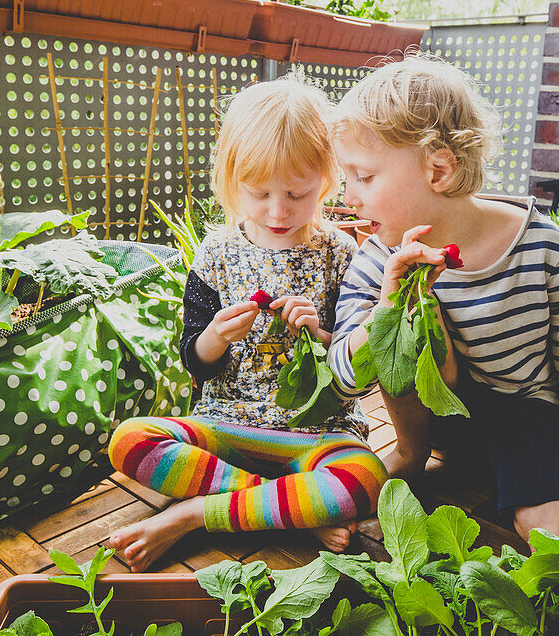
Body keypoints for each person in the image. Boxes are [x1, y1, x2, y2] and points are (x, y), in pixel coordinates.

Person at [326, 54, 559, 545]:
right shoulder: (378, 258)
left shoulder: (548, 250)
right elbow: (344, 379)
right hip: (434, 427)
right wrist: (389, 307)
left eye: (363, 177)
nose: (349, 197)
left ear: (439, 170)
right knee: (399, 347)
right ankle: (409, 454)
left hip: (527, 420)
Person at [107, 74, 387, 572]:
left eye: (298, 194)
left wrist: (322, 337)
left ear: (326, 180)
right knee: (130, 439)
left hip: (315, 430)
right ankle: (289, 510)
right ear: (231, 182)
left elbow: (355, 367)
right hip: (226, 427)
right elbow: (193, 356)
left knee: (365, 477)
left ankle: (195, 513)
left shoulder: (342, 254)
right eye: (259, 193)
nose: (278, 211)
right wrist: (215, 335)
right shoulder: (216, 253)